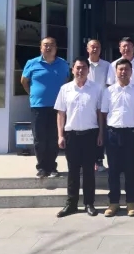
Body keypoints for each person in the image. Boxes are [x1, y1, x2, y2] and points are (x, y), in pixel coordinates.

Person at [54, 57, 104, 218]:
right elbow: (61, 114)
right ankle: (72, 204)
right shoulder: (65, 89)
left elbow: (100, 113)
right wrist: (60, 135)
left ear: (88, 70)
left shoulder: (96, 88)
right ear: (73, 70)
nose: (80, 71)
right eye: (77, 68)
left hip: (90, 135)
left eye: (83, 68)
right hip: (72, 135)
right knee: (73, 171)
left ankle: (89, 203)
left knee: (89, 171)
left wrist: (101, 133)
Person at [100, 58, 134, 218]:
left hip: (131, 134)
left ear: (131, 72)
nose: (123, 72)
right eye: (120, 69)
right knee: (113, 171)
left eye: (126, 69)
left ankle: (131, 202)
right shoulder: (109, 91)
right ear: (116, 72)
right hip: (113, 134)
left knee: (130, 170)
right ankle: (113, 203)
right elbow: (104, 113)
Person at [20, 37, 70, 178]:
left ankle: (52, 166)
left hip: (57, 107)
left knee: (54, 138)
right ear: (41, 48)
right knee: (40, 138)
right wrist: (33, 94)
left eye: (51, 45)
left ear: (56, 48)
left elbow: (67, 81)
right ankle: (42, 167)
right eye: (45, 45)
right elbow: (24, 81)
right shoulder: (32, 63)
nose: (48, 48)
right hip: (38, 106)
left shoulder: (63, 64)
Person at [107, 36, 134, 175]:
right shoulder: (113, 65)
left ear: (133, 48)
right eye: (123, 46)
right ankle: (120, 166)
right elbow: (110, 85)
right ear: (120, 48)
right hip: (119, 106)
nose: (126, 49)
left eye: (129, 46)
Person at [86, 39, 111, 172]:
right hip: (87, 105)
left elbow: (110, 84)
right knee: (89, 133)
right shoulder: (83, 65)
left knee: (102, 132)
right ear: (87, 49)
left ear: (101, 49)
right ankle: (89, 160)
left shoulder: (108, 66)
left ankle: (99, 160)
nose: (95, 49)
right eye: (92, 47)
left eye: (97, 47)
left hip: (103, 104)